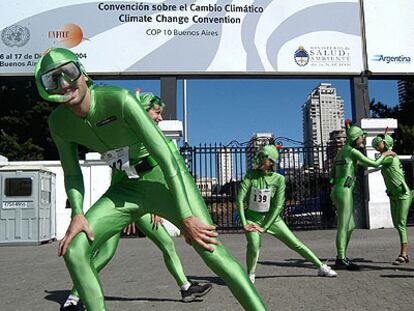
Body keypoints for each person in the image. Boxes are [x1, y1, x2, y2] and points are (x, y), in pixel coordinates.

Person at [35, 48, 267, 311]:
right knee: (75, 250)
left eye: (68, 73)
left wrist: (186, 217)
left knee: (212, 253)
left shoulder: (119, 99)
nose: (64, 84)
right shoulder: (59, 122)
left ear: (83, 73)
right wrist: (77, 213)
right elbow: (73, 172)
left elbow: (167, 158)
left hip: (162, 176)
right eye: (52, 79)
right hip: (126, 184)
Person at [61, 93, 212, 310]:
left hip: (146, 204)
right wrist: (128, 209)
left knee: (167, 244)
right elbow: (120, 175)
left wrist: (155, 204)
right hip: (126, 203)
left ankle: (185, 287)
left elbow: (165, 172)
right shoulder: (123, 135)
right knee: (105, 253)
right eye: (156, 112)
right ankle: (74, 298)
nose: (160, 118)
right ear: (143, 111)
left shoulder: (154, 137)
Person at [237, 145, 337, 283]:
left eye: (263, 157)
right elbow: (239, 198)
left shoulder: (279, 179)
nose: (259, 159)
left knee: (295, 243)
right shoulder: (250, 175)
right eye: (259, 156)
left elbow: (278, 206)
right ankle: (250, 274)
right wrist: (244, 223)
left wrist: (264, 227)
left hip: (272, 220)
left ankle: (321, 266)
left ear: (271, 161)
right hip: (252, 218)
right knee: (254, 243)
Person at [330, 120, 394, 270]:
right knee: (343, 226)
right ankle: (340, 258)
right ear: (355, 138)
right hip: (345, 190)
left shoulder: (342, 152)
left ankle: (342, 255)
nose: (363, 139)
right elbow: (375, 163)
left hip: (338, 189)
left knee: (350, 225)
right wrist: (385, 154)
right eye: (361, 137)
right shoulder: (352, 151)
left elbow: (332, 175)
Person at [372, 132, 412, 265]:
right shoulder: (387, 157)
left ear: (386, 143)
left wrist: (384, 154)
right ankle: (404, 252)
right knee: (397, 224)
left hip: (402, 194)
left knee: (401, 224)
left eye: (379, 142)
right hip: (393, 195)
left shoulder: (388, 157)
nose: (377, 144)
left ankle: (404, 254)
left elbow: (375, 162)